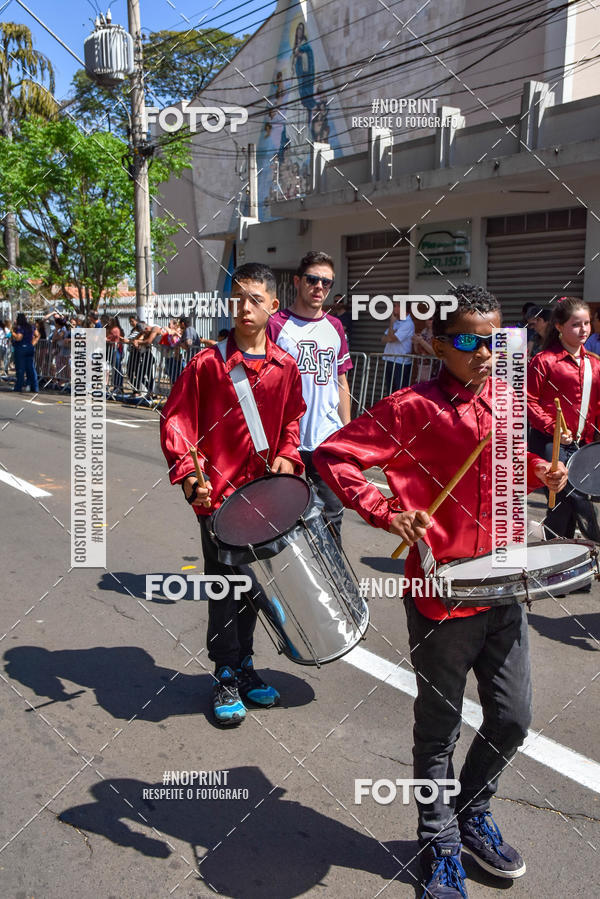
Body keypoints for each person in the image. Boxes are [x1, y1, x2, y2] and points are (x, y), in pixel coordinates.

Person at [313, 284, 568, 899]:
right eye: (466, 341)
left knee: (512, 720)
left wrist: (543, 470)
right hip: (440, 593)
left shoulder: (508, 402)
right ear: (435, 342)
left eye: (493, 341)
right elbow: (335, 455)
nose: (482, 353)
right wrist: (383, 510)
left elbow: (509, 461)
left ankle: (472, 812)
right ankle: (438, 843)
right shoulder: (411, 407)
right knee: (438, 731)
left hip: (504, 586)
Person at [160, 263, 305, 726]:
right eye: (239, 299)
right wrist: (189, 477)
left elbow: (290, 423)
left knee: (252, 586)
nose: (246, 308)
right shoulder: (208, 364)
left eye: (256, 299)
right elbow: (176, 422)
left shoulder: (286, 368)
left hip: (264, 499)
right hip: (218, 499)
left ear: (273, 307)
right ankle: (224, 671)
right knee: (225, 585)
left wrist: (288, 455)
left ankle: (244, 666)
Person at [267, 250, 352, 543]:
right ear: (297, 281)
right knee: (282, 518)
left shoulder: (335, 327)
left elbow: (341, 380)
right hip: (285, 441)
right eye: (313, 280)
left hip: (326, 440)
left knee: (332, 515)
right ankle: (291, 586)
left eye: (326, 283)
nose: (319, 287)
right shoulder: (275, 324)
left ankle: (336, 584)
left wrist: (347, 433)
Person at [527, 296, 600, 547]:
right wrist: (553, 426)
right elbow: (528, 401)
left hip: (583, 447)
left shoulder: (595, 363)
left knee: (561, 508)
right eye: (576, 324)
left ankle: (563, 570)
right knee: (575, 498)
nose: (584, 330)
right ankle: (594, 541)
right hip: (550, 444)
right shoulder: (544, 361)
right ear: (559, 326)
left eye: (587, 324)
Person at [381, 299, 415, 393]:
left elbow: (391, 338)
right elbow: (384, 339)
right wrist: (391, 334)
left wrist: (391, 324)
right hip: (390, 359)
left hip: (401, 362)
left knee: (399, 391)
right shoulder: (397, 321)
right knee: (390, 390)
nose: (394, 308)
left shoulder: (408, 324)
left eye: (396, 306)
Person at [12, 312, 39, 393]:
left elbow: (19, 338)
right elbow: (37, 335)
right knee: (31, 368)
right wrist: (32, 344)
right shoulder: (31, 326)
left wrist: (12, 333)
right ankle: (35, 387)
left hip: (21, 348)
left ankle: (18, 387)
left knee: (21, 369)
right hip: (29, 348)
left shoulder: (20, 327)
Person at [106, 317, 124, 394]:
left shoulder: (115, 329)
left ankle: (118, 386)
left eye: (110, 321)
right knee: (114, 368)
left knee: (117, 368)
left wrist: (107, 339)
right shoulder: (110, 329)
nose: (108, 322)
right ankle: (116, 386)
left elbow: (113, 338)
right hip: (112, 349)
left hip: (116, 350)